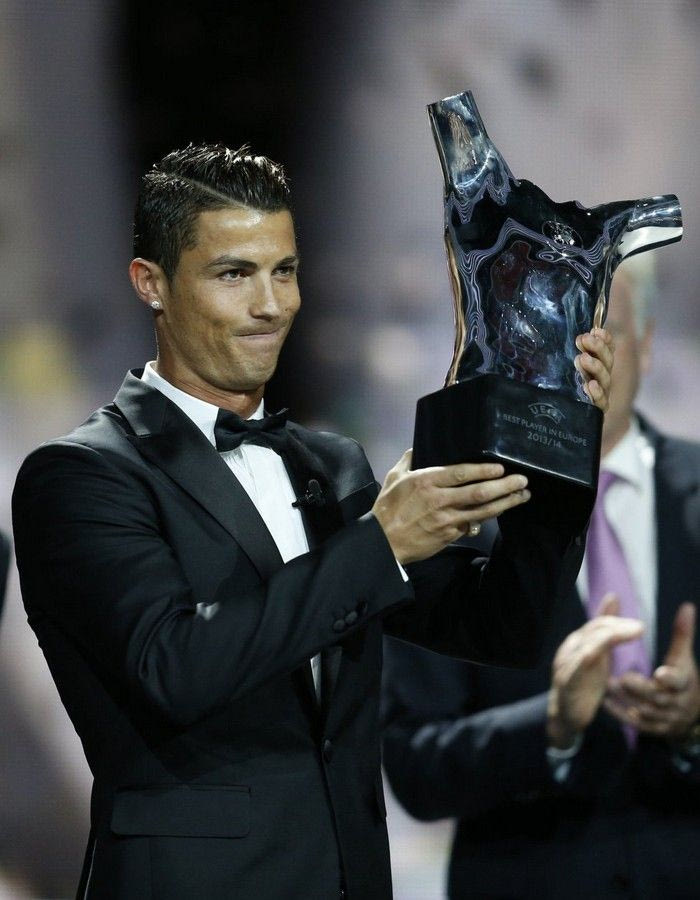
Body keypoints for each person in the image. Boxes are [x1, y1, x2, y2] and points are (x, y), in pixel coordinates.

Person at [12, 144, 613, 900]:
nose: (271, 305)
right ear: (151, 283)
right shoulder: (81, 476)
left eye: (285, 271)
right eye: (234, 274)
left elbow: (503, 628)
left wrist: (557, 437)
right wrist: (381, 544)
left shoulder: (331, 466)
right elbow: (172, 669)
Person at [382, 255, 700, 900]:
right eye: (543, 327)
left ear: (644, 341)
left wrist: (694, 723)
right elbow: (416, 769)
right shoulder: (451, 508)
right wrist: (551, 724)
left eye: (594, 328)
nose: (570, 354)